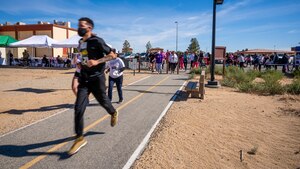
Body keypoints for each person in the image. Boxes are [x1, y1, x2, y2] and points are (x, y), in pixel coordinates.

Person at [68, 17, 118, 156]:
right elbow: (84, 57)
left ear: (89, 27)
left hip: (97, 78)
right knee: (78, 108)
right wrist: (81, 64)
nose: (79, 27)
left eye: (82, 25)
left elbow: (112, 55)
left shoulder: (97, 41)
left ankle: (113, 112)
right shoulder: (80, 42)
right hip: (84, 79)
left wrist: (97, 61)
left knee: (103, 101)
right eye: (78, 25)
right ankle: (79, 138)